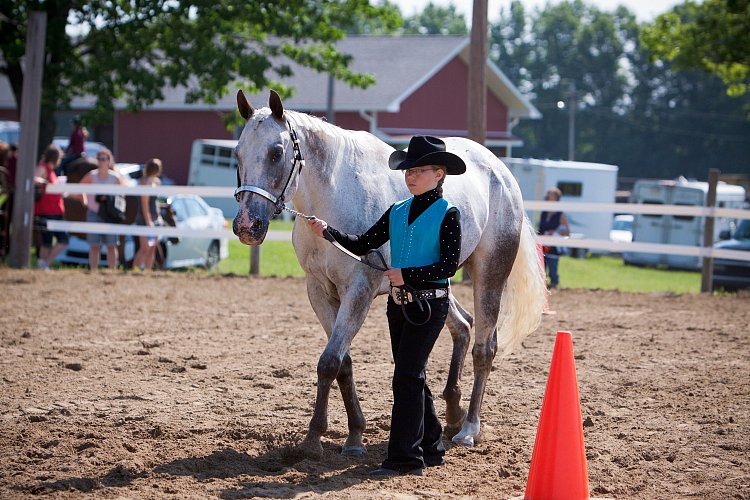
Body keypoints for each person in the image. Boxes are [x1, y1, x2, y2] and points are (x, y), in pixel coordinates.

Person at [306, 135, 465, 477]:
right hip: (399, 306)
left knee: (406, 376)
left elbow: (449, 266)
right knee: (413, 376)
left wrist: (406, 273)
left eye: (420, 171)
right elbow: (363, 243)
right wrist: (327, 232)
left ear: (439, 174)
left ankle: (406, 459)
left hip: (429, 305)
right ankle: (431, 446)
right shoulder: (397, 211)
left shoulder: (448, 214)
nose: (411, 176)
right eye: (409, 171)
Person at [80, 148, 125, 270]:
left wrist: (111, 201)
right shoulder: (91, 175)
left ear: (109, 161)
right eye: (99, 159)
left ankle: (112, 271)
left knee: (111, 245)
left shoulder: (115, 177)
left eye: (104, 159)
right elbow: (80, 187)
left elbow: (123, 195)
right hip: (94, 213)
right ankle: (93, 270)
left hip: (110, 215)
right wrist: (84, 200)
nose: (101, 161)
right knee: (95, 245)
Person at [33, 144, 68, 269]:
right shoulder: (43, 167)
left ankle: (44, 263)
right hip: (46, 210)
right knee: (53, 241)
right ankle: (44, 264)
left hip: (55, 210)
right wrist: (45, 182)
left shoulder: (51, 171)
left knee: (56, 241)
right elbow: (34, 179)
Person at [132, 158, 163, 271]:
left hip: (155, 217)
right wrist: (148, 220)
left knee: (153, 247)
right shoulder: (144, 182)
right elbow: (144, 204)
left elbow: (156, 202)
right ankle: (135, 269)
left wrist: (158, 217)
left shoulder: (157, 182)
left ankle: (148, 271)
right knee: (145, 247)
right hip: (144, 218)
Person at [538, 187, 570, 289]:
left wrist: (555, 232)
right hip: (543, 243)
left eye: (550, 195)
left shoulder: (560, 215)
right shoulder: (544, 213)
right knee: (541, 267)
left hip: (553, 245)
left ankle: (554, 285)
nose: (547, 197)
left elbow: (567, 232)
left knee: (552, 268)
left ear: (556, 198)